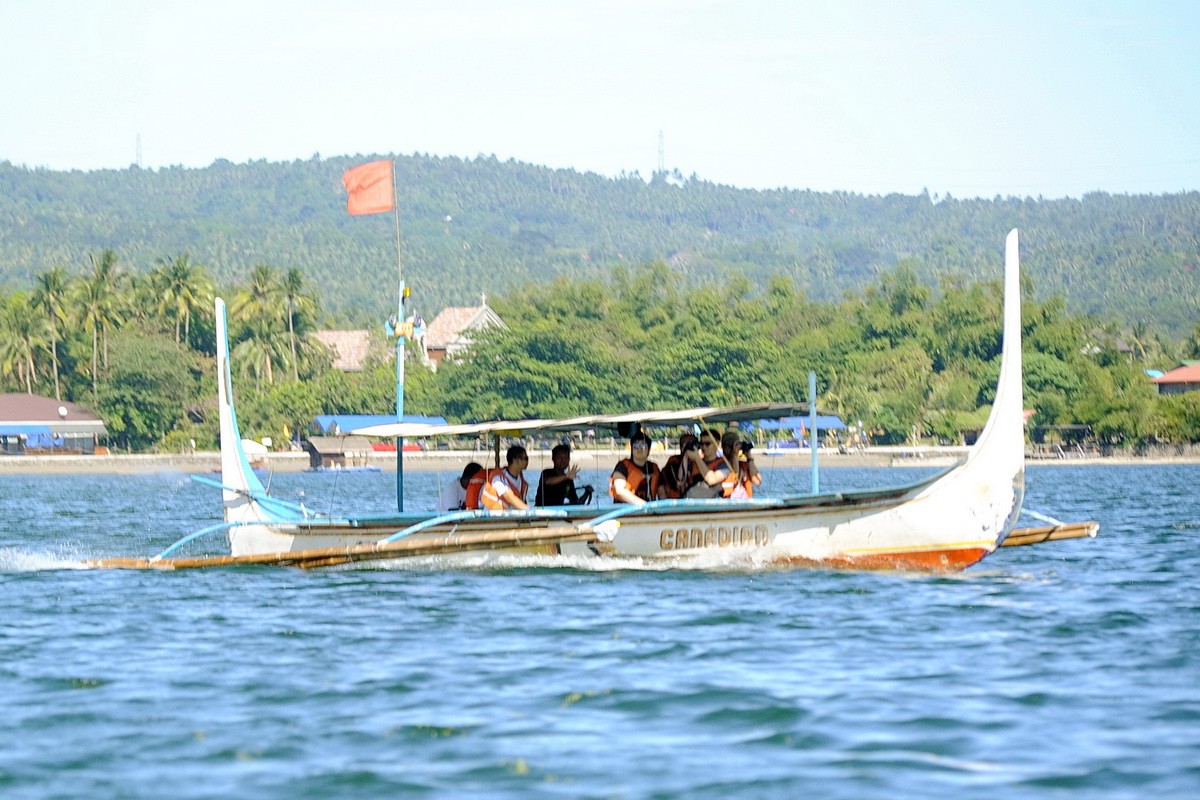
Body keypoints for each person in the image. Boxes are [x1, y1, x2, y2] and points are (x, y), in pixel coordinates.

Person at [608, 431, 661, 505]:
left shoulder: (654, 467)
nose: (639, 449)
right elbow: (620, 490)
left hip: (649, 511)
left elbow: (661, 489)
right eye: (636, 446)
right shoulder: (622, 466)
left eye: (643, 446)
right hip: (625, 510)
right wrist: (644, 505)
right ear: (632, 449)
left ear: (648, 450)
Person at [478, 445, 531, 510]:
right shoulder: (498, 479)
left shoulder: (520, 479)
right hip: (494, 516)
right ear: (516, 461)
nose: (527, 461)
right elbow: (509, 497)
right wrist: (530, 511)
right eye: (526, 458)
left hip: (511, 516)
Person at [683, 428, 726, 498]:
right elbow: (680, 482)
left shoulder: (724, 464)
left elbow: (712, 480)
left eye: (707, 444)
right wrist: (685, 455)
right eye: (701, 444)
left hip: (713, 503)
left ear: (717, 443)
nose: (703, 447)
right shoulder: (693, 463)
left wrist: (697, 458)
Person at [660, 433, 697, 499]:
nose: (689, 447)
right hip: (676, 500)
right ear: (680, 447)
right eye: (686, 444)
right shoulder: (673, 461)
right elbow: (678, 484)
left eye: (692, 444)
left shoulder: (700, 462)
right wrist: (685, 457)